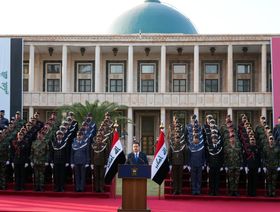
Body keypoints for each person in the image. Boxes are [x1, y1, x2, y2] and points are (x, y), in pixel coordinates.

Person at [168, 118, 187, 195]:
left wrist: (185, 163)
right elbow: (169, 155)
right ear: (174, 138)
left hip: (181, 163)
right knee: (174, 178)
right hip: (174, 163)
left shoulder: (183, 146)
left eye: (178, 138)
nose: (177, 139)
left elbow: (185, 155)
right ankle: (175, 190)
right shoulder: (172, 146)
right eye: (176, 138)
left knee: (180, 178)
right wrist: (169, 164)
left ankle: (180, 190)